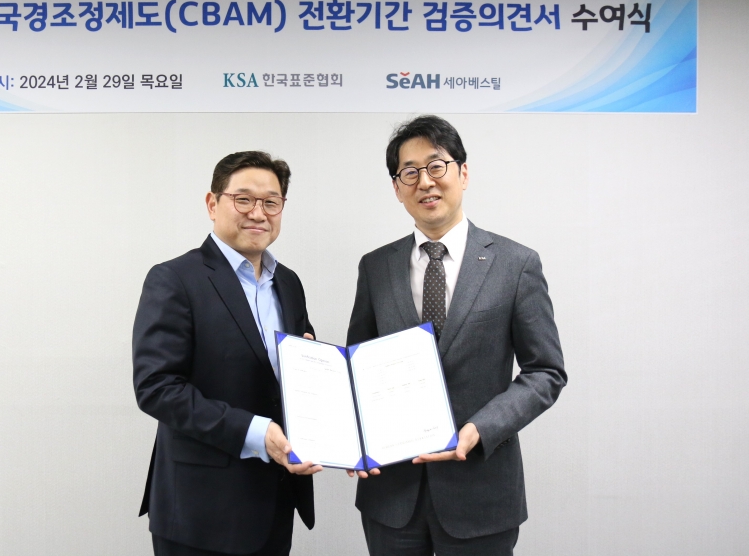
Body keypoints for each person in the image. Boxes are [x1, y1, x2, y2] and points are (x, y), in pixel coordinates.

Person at [346, 116, 568, 556]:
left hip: (481, 490)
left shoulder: (516, 264)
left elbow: (545, 372)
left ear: (463, 173)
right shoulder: (375, 267)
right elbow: (359, 364)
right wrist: (349, 433)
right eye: (410, 172)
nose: (425, 182)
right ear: (397, 188)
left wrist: (479, 430)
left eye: (436, 166)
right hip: (392, 494)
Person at [132, 151, 322, 556]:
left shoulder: (288, 283)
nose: (258, 213)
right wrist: (256, 432)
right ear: (212, 203)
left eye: (271, 202)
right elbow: (157, 388)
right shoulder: (174, 279)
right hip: (200, 510)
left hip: (275, 501)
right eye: (244, 199)